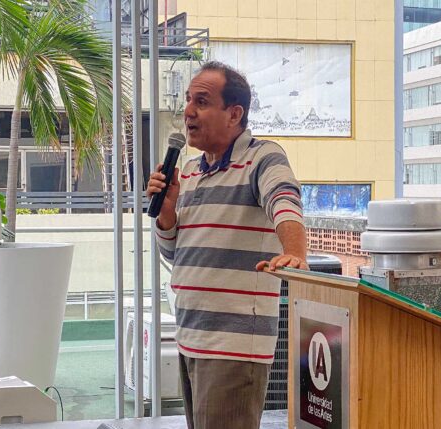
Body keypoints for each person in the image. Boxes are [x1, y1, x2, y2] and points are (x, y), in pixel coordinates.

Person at [146, 61, 308, 429]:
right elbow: (175, 255)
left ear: (234, 114)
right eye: (188, 100)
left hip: (233, 346)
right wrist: (167, 214)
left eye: (201, 102)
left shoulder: (261, 157)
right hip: (191, 338)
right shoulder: (188, 171)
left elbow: (284, 200)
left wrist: (295, 253)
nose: (188, 111)